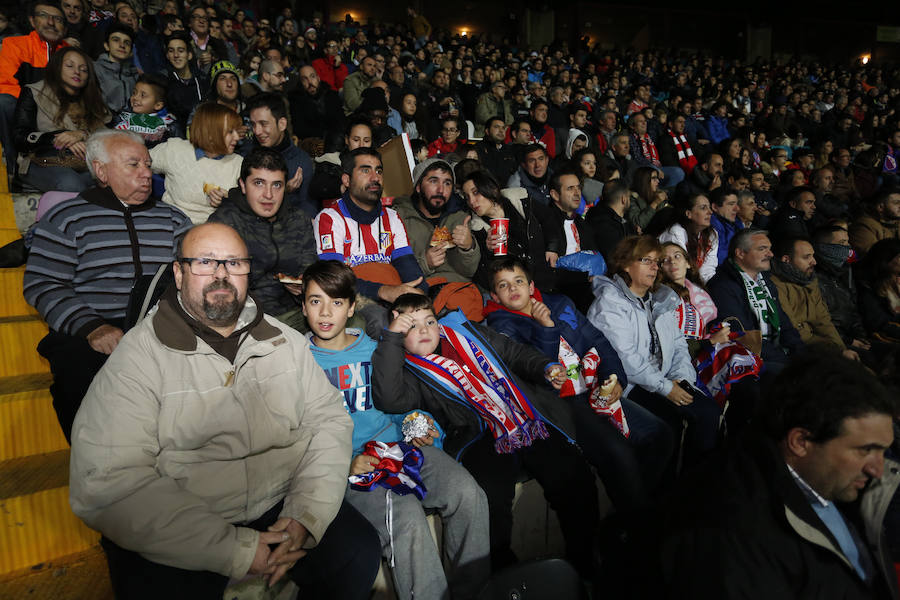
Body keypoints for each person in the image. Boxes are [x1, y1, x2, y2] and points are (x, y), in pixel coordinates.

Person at [68, 222, 382, 600]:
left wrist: (304, 515)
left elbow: (328, 420)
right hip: (189, 513)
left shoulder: (283, 341)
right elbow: (108, 482)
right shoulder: (139, 357)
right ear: (179, 273)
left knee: (356, 552)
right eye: (205, 262)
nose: (221, 274)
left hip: (279, 498)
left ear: (248, 272)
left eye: (234, 263)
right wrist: (235, 550)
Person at [373, 293, 602, 581]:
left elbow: (513, 352)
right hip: (475, 434)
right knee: (490, 493)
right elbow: (389, 398)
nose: (424, 330)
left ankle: (584, 566)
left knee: (574, 476)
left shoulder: (466, 331)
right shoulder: (407, 369)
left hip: (523, 417)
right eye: (411, 325)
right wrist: (391, 339)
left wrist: (544, 367)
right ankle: (505, 577)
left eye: (429, 321)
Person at [302, 260, 491, 599]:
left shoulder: (374, 349)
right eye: (316, 301)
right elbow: (294, 438)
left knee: (468, 493)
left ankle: (474, 593)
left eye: (337, 302)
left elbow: (401, 406)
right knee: (405, 516)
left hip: (400, 450)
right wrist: (344, 466)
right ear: (303, 307)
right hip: (352, 467)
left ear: (351, 307)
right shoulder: (298, 362)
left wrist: (420, 425)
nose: (326, 312)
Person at [645, 351, 898, 599]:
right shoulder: (731, 537)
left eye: (883, 450)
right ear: (800, 442)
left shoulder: (835, 481)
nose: (878, 469)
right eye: (865, 450)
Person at [23, 129, 191, 442]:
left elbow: (194, 275)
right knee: (77, 370)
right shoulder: (67, 218)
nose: (146, 173)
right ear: (101, 171)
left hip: (159, 326)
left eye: (148, 164)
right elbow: (43, 283)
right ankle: (97, 461)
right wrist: (92, 327)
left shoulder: (173, 220)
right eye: (134, 165)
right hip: (93, 326)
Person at [483, 256, 674, 519]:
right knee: (618, 453)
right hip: (563, 404)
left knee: (660, 434)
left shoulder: (559, 303)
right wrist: (546, 329)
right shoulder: (500, 328)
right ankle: (637, 521)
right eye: (503, 285)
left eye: (518, 281)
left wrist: (614, 378)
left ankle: (633, 512)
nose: (513, 288)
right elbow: (540, 377)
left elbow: (598, 341)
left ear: (531, 286)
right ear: (494, 296)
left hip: (596, 388)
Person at [587, 235, 721, 470]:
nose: (655, 267)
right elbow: (627, 360)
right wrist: (666, 387)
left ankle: (695, 481)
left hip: (664, 378)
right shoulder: (609, 304)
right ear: (625, 264)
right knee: (669, 423)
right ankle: (662, 488)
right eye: (646, 260)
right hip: (630, 385)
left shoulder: (662, 299)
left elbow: (679, 345)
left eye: (656, 262)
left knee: (708, 412)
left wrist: (682, 378)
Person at [313, 147, 427, 335]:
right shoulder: (329, 219)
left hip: (393, 293)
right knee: (382, 320)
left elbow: (409, 268)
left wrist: (420, 297)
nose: (375, 177)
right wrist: (384, 291)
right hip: (353, 299)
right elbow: (334, 278)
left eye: (379, 171)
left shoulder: (392, 217)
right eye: (365, 170)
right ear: (346, 180)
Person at [206, 147, 316, 325]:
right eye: (259, 183)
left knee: (353, 323)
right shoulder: (224, 223)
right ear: (243, 185)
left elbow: (310, 267)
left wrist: (304, 284)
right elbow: (212, 284)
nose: (268, 195)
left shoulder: (298, 220)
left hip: (295, 313)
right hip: (242, 316)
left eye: (277, 185)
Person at [706, 228, 805, 373]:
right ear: (740, 253)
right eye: (762, 249)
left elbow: (785, 324)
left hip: (774, 355)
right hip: (744, 361)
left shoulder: (766, 281)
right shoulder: (722, 286)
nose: (770, 254)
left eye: (769, 249)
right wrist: (787, 362)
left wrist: (801, 355)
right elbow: (742, 336)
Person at [13, 46, 109, 193]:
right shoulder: (34, 91)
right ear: (57, 68)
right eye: (70, 66)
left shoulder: (94, 100)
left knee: (111, 180)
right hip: (43, 160)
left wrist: (82, 134)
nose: (77, 72)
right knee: (71, 184)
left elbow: (109, 137)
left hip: (85, 162)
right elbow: (20, 137)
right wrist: (61, 138)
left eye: (83, 69)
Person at [0, 0, 68, 178]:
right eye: (44, 16)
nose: (51, 22)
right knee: (4, 102)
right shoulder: (15, 44)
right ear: (32, 21)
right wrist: (35, 106)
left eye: (57, 19)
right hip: (26, 111)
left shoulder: (69, 52)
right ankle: (12, 167)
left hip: (60, 114)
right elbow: (6, 85)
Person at [392, 157, 480, 289]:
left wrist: (468, 247)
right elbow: (390, 271)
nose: (441, 190)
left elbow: (469, 271)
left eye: (447, 183)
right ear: (418, 187)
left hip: (458, 289)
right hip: (419, 290)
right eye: (433, 181)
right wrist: (425, 263)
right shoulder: (398, 218)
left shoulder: (460, 217)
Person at [150, 102, 244, 224]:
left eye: (237, 131)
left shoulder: (239, 164)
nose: (237, 137)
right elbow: (137, 161)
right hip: (171, 224)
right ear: (210, 132)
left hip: (213, 230)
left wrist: (228, 200)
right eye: (230, 132)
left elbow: (249, 204)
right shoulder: (174, 149)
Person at [245, 92, 315, 216]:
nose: (257, 131)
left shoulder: (301, 160)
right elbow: (241, 200)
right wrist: (283, 190)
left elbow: (308, 207)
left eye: (263, 124)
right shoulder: (246, 154)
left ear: (282, 124)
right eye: (253, 125)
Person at [658, 193, 719, 284]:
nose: (710, 212)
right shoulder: (675, 233)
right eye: (703, 208)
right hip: (670, 282)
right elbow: (679, 270)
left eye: (709, 207)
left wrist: (711, 286)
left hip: (693, 283)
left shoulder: (712, 234)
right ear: (688, 214)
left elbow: (707, 270)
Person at [112, 73, 181, 148]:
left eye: (143, 95)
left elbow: (177, 148)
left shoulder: (169, 126)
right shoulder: (121, 118)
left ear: (158, 105)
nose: (135, 97)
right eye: (134, 93)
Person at [290, 64, 345, 152]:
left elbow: (340, 120)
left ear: (318, 78)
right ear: (301, 83)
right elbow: (299, 128)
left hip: (336, 139)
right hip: (313, 143)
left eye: (312, 77)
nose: (310, 82)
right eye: (304, 79)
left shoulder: (331, 95)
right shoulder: (296, 101)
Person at [162, 31, 209, 126]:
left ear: (189, 55)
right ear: (167, 56)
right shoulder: (163, 81)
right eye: (171, 51)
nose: (176, 55)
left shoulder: (202, 80)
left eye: (181, 51)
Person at [93, 22, 138, 114]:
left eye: (127, 42)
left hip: (131, 120)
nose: (122, 45)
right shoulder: (94, 69)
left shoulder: (135, 74)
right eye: (116, 40)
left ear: (131, 51)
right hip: (103, 119)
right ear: (106, 46)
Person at [587, 180, 636, 260]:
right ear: (624, 199)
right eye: (629, 197)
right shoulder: (604, 225)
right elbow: (616, 258)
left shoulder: (623, 219)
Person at [849, 188, 900, 258]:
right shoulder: (863, 226)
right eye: (896, 203)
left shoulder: (896, 224)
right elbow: (874, 257)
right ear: (880, 207)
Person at [475, 115, 517, 184]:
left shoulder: (510, 150)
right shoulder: (479, 148)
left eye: (503, 128)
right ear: (487, 131)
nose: (501, 131)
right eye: (496, 127)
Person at [628, 166, 669, 233]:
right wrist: (655, 203)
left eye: (657, 178)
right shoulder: (632, 198)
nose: (658, 181)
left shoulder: (657, 193)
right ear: (644, 181)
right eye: (654, 178)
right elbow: (638, 224)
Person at [709, 188, 744, 264]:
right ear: (715, 207)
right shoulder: (711, 227)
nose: (737, 209)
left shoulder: (737, 223)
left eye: (736, 204)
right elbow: (720, 258)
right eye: (731, 204)